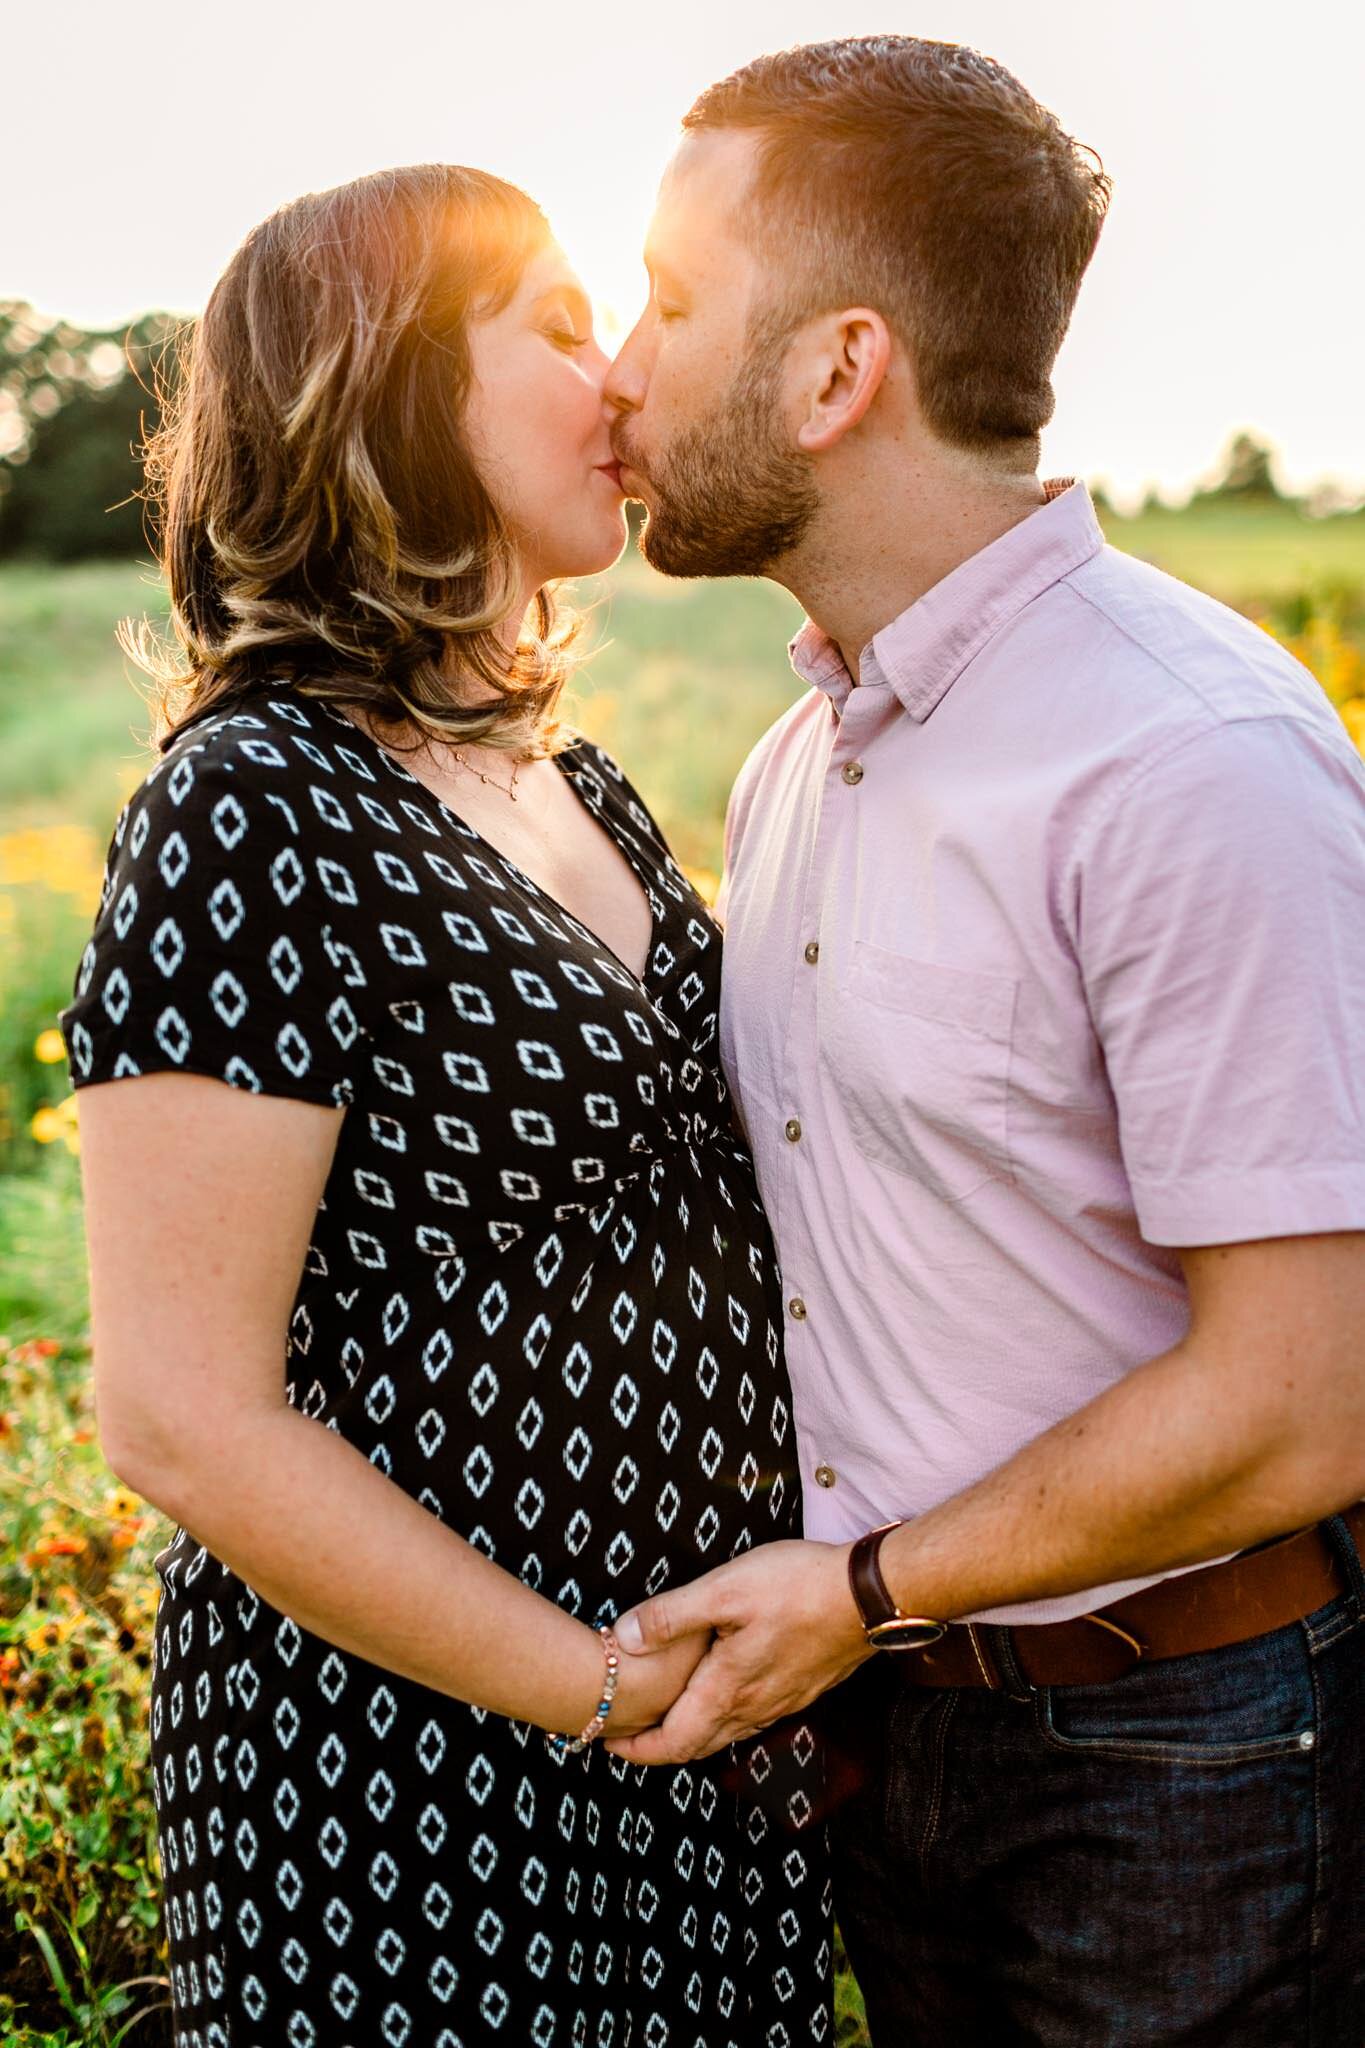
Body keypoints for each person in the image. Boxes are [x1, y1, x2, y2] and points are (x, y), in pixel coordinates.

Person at [599, 36, 1365, 2045]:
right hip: (894, 1746)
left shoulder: (1186, 759)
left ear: (834, 369)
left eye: (670, 304)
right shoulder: (791, 763)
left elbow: (1307, 1396)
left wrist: (856, 1592)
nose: (617, 363)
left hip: (1176, 1758)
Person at [60, 164, 830, 2047]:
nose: (623, 381)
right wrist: (588, 1688)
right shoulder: (256, 806)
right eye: (560, 330)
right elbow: (179, 1413)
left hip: (693, 1745)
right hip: (409, 1777)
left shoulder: (579, 784)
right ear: (388, 389)